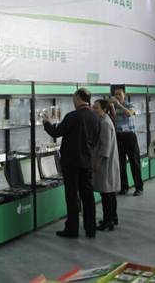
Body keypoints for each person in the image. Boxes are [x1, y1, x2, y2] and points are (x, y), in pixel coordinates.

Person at [43, 88, 101, 238]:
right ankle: (91, 229)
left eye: (74, 97)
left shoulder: (73, 116)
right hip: (86, 162)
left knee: (72, 196)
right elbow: (96, 139)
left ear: (78, 97)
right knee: (88, 196)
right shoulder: (95, 117)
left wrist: (46, 122)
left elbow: (56, 132)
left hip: (71, 163)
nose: (73, 100)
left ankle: (72, 229)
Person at [92, 99, 121, 231]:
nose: (93, 109)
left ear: (103, 110)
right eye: (93, 107)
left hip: (105, 163)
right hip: (108, 162)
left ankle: (108, 221)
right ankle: (113, 217)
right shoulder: (104, 121)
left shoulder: (104, 123)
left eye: (96, 108)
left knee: (106, 194)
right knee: (110, 192)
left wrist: (97, 163)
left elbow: (105, 147)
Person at [110, 87, 143, 196]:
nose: (117, 96)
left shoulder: (130, 104)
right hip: (119, 136)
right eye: (115, 94)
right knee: (121, 163)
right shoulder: (114, 106)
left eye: (119, 94)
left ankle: (139, 187)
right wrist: (113, 107)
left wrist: (119, 105)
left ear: (124, 95)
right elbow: (114, 119)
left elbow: (129, 114)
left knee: (134, 162)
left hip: (130, 136)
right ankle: (124, 187)